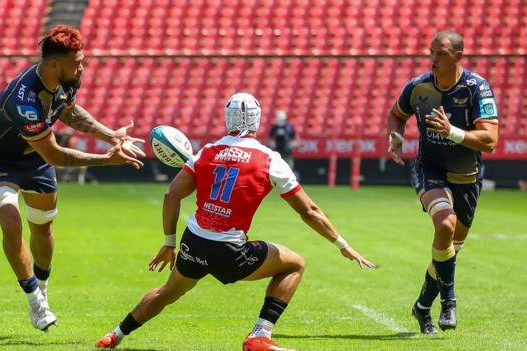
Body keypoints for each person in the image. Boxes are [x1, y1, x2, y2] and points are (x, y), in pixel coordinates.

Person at [95, 93, 375, 350]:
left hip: (194, 241)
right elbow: (309, 211)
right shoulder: (270, 159)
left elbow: (172, 195)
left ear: (226, 119)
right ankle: (260, 336)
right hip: (229, 250)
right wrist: (342, 244)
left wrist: (169, 243)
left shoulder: (206, 151)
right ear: (258, 120)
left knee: (168, 291)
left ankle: (115, 334)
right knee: (295, 264)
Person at [0, 25, 145, 331]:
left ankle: (43, 288)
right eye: (77, 62)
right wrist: (107, 160)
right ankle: (34, 302)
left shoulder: (65, 79)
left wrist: (110, 135)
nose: (83, 67)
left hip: (34, 160)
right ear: (54, 64)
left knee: (43, 230)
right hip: (0, 160)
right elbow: (55, 156)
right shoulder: (23, 100)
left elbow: (68, 111)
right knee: (11, 222)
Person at [386, 30, 499, 334]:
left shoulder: (477, 88)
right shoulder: (419, 86)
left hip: (467, 177)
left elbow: (490, 140)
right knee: (445, 225)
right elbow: (396, 114)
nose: (433, 58)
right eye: (431, 52)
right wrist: (396, 138)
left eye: (441, 53)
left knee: (449, 249)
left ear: (458, 57)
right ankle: (449, 301)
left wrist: (453, 132)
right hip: (429, 170)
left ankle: (422, 307)